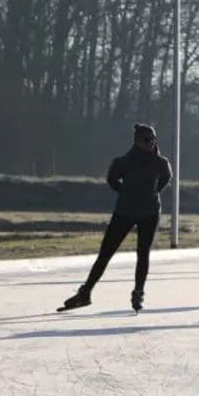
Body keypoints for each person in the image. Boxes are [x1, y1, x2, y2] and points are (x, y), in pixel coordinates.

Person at [59, 123, 173, 313]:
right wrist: (126, 192)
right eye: (146, 140)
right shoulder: (123, 162)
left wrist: (150, 194)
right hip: (124, 211)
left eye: (153, 139)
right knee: (106, 253)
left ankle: (138, 292)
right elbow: (112, 180)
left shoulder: (161, 163)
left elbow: (165, 179)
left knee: (143, 253)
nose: (151, 143)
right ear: (137, 141)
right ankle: (85, 292)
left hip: (150, 212)